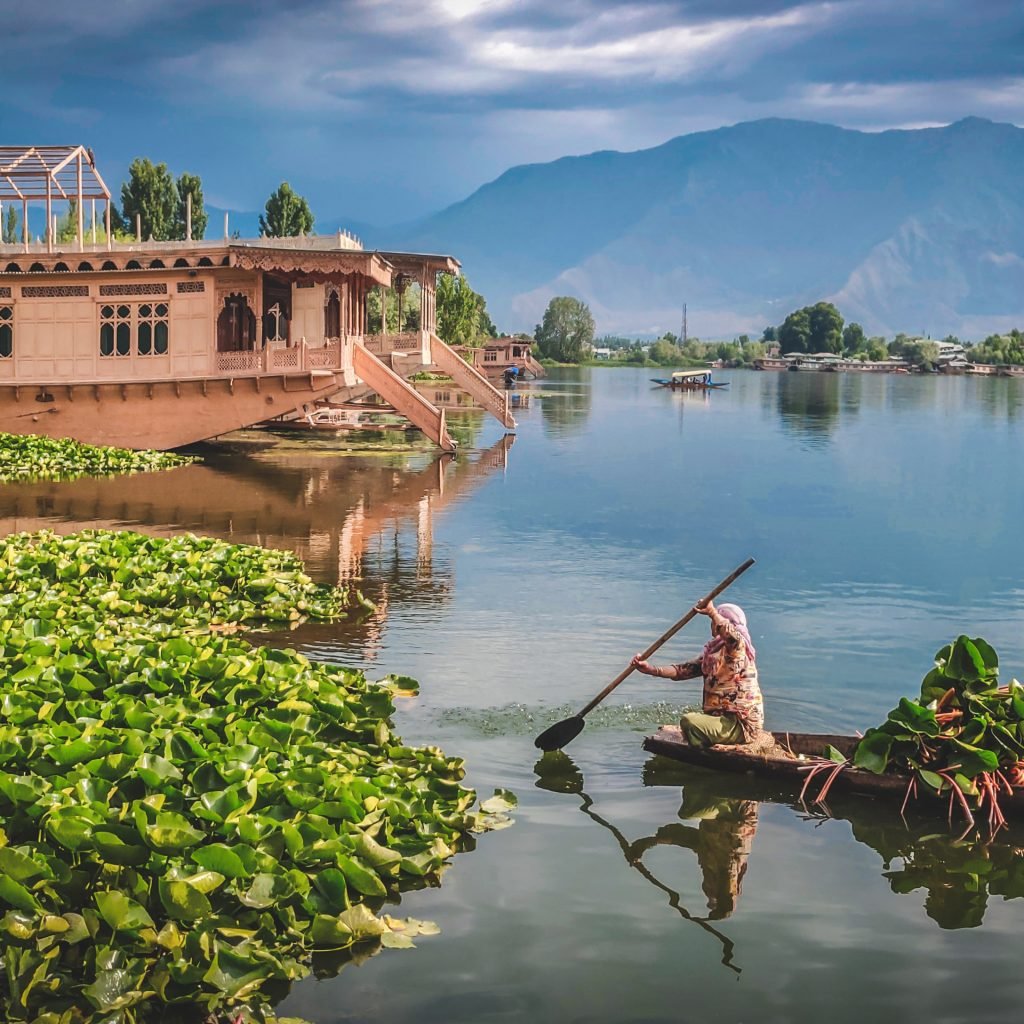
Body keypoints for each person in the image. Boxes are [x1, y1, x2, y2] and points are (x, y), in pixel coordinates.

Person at [631, 600, 763, 747]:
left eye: (715, 622)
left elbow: (732, 637)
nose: (712, 625)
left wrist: (712, 613)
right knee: (692, 721)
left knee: (688, 721)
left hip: (740, 725)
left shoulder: (737, 650)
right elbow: (682, 671)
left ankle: (703, 750)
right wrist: (650, 669)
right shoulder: (713, 655)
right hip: (721, 720)